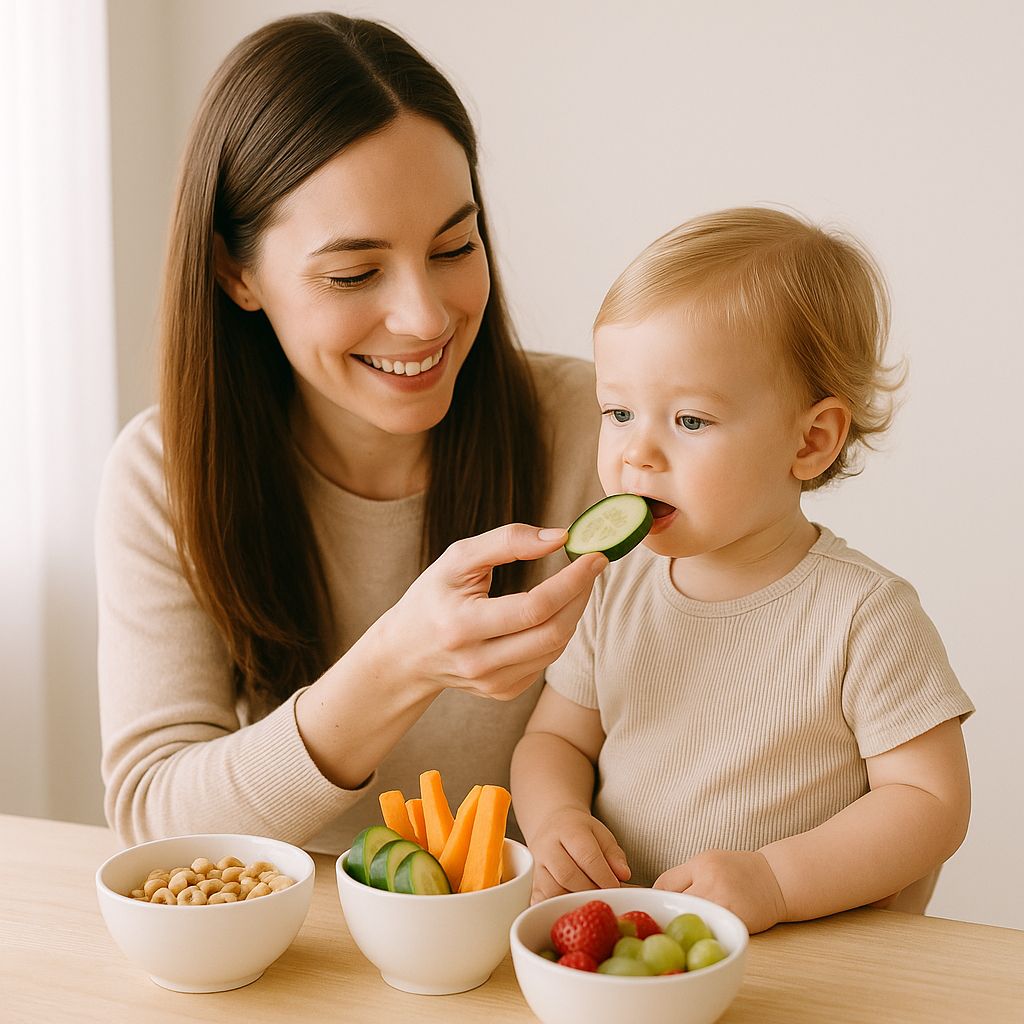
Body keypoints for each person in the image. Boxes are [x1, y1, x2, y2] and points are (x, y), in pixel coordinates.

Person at [96, 12, 607, 852]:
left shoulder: (599, 430)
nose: (425, 316)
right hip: (312, 955)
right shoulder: (166, 477)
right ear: (236, 273)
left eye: (455, 245)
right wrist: (398, 662)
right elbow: (155, 816)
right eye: (353, 273)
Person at [510, 207, 974, 932]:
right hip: (634, 947)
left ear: (812, 441)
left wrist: (776, 881)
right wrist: (555, 817)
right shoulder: (615, 590)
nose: (637, 454)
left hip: (807, 954)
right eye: (618, 412)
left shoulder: (865, 614)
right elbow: (556, 740)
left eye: (689, 421)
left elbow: (930, 804)